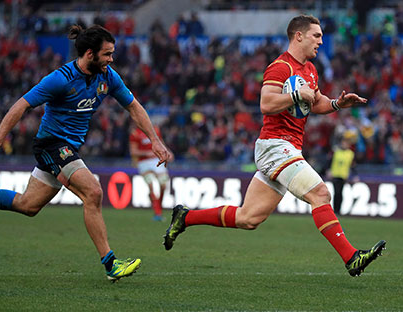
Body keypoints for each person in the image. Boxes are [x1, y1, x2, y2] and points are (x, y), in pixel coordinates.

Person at [162, 15, 386, 276]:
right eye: (317, 36)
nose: (321, 41)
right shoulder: (280, 67)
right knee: (321, 194)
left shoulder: (310, 70)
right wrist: (294, 95)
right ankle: (351, 257)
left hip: (287, 149)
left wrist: (337, 104)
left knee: (249, 218)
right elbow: (266, 104)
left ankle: (185, 217)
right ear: (298, 36)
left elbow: (316, 101)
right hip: (275, 146)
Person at [0, 25, 172, 281]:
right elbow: (21, 105)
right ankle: (111, 265)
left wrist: (154, 140)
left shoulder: (108, 76)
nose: (112, 59)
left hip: (67, 149)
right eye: (107, 54)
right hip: (51, 145)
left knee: (28, 205)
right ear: (90, 53)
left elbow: (133, 107)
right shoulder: (60, 78)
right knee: (94, 192)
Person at [129, 123, 173, 221]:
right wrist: (146, 153)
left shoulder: (155, 130)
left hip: (156, 160)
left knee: (163, 184)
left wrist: (168, 152)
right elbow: (133, 151)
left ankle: (158, 207)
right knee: (151, 184)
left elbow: (161, 143)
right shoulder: (135, 133)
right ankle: (157, 213)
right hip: (143, 162)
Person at [329, 138, 355, 215]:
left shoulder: (350, 154)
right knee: (336, 192)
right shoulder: (336, 152)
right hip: (335, 175)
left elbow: (353, 165)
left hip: (343, 176)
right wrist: (329, 170)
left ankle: (338, 210)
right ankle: (336, 210)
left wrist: (354, 175)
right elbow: (330, 161)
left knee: (340, 193)